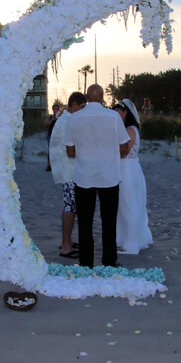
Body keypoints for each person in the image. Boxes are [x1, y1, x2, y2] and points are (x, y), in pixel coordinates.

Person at [64, 84, 130, 268]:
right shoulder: (113, 117)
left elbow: (69, 151)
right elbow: (125, 147)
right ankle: (109, 261)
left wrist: (87, 152)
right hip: (109, 176)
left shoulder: (75, 118)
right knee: (109, 222)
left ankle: (86, 263)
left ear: (87, 96)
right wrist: (109, 152)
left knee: (85, 223)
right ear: (102, 98)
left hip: (84, 177)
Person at [113, 99, 153, 255]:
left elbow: (123, 152)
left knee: (128, 205)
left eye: (118, 113)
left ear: (125, 114)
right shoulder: (129, 128)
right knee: (128, 205)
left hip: (126, 169)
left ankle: (130, 243)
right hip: (129, 168)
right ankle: (127, 239)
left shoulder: (129, 130)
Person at [49, 92, 86, 258]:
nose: (84, 111)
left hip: (67, 170)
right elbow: (72, 149)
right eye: (83, 107)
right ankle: (65, 246)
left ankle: (68, 241)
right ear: (75, 105)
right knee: (70, 208)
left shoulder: (64, 120)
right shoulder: (69, 122)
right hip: (70, 171)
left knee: (70, 207)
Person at [45, 103, 62, 171]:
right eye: (55, 109)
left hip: (58, 136)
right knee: (50, 151)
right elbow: (45, 124)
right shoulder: (50, 117)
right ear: (52, 110)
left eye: (57, 109)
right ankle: (49, 166)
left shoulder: (61, 117)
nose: (56, 110)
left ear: (59, 109)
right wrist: (53, 119)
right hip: (51, 136)